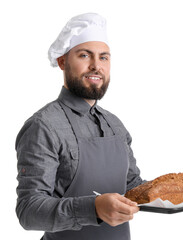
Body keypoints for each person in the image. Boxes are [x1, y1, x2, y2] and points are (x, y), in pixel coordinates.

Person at [15, 13, 145, 240]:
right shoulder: (43, 126)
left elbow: (134, 187)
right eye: (85, 55)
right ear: (63, 62)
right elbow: (29, 210)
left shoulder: (115, 125)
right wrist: (93, 208)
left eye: (104, 58)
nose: (96, 66)